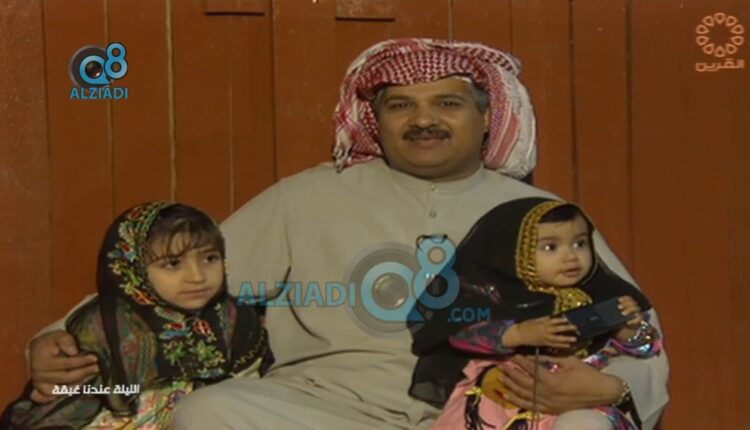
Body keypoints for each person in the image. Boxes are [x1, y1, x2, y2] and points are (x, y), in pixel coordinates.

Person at [24, 39, 669, 429]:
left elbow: (637, 331)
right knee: (209, 412)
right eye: (400, 105)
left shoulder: (542, 214)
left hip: (492, 410)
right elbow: (173, 283)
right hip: (329, 409)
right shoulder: (310, 195)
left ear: (485, 115)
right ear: (375, 120)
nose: (423, 121)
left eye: (447, 104)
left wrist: (610, 386)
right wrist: (58, 339)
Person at [3, 203, 270, 429]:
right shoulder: (103, 324)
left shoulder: (234, 318)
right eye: (173, 263)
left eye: (210, 258)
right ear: (133, 268)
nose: (198, 276)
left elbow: (246, 391)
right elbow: (67, 396)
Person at [409, 198, 662, 430]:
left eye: (580, 243)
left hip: (579, 397)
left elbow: (645, 350)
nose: (571, 257)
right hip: (506, 397)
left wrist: (629, 329)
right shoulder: (493, 296)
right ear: (515, 252)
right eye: (551, 247)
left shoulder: (600, 293)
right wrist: (518, 334)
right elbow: (460, 336)